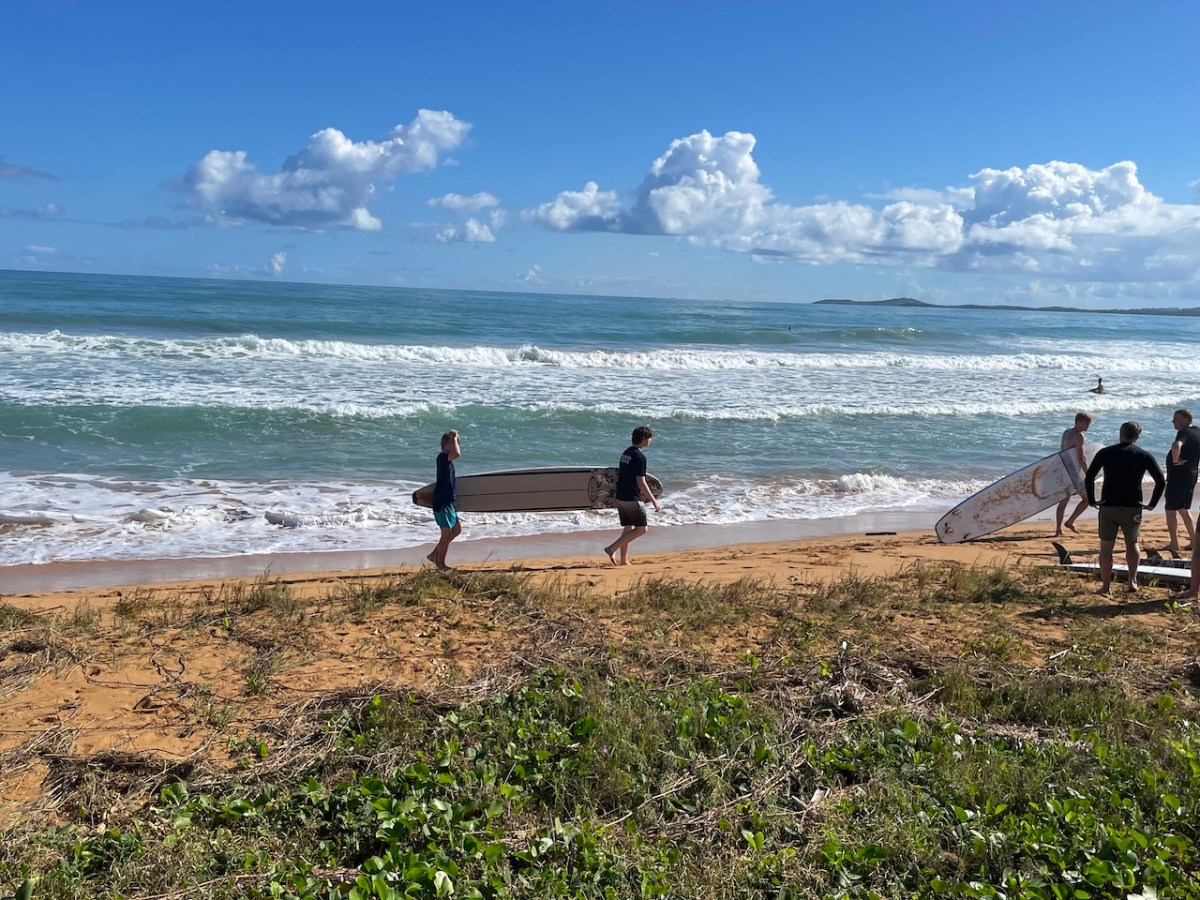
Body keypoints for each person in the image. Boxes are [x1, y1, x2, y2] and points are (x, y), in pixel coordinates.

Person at [1084, 421, 1165, 595]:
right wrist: (1152, 504)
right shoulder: (1143, 455)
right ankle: (1132, 580)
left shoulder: (1106, 452)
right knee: (1132, 544)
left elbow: (1089, 477)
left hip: (1108, 505)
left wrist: (1092, 500)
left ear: (1120, 433)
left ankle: (1106, 587)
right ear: (1138, 436)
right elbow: (1161, 480)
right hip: (1132, 506)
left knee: (1106, 548)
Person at [603, 425, 661, 566]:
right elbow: (641, 482)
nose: (651, 440)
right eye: (649, 438)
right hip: (631, 497)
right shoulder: (639, 457)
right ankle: (611, 548)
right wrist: (654, 501)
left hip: (621, 496)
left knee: (628, 528)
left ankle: (623, 560)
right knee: (642, 529)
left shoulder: (626, 453)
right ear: (643, 439)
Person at [1163, 408, 1200, 555]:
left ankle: (1174, 543)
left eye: (1176, 419)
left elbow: (1177, 446)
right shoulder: (1197, 431)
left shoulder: (1183, 433)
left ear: (1186, 420)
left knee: (1170, 510)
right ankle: (1194, 540)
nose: (1173, 422)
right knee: (1184, 509)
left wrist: (1175, 460)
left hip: (1178, 478)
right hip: (1191, 475)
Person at [428, 429, 461, 572]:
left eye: (456, 443)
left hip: (448, 501)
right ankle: (440, 565)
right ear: (444, 444)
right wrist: (453, 438)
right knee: (446, 533)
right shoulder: (442, 458)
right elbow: (457, 454)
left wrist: (454, 440)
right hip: (442, 501)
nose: (454, 445)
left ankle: (434, 555)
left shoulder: (448, 460)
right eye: (451, 443)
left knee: (456, 530)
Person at [1055, 411, 1092, 536]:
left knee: (1064, 500)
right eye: (1087, 424)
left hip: (1063, 469)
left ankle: (1058, 529)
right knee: (1087, 499)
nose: (1088, 426)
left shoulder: (1066, 432)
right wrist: (1089, 474)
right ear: (1079, 422)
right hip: (1073, 473)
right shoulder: (1079, 436)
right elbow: (1081, 458)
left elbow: (1062, 452)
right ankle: (1070, 521)